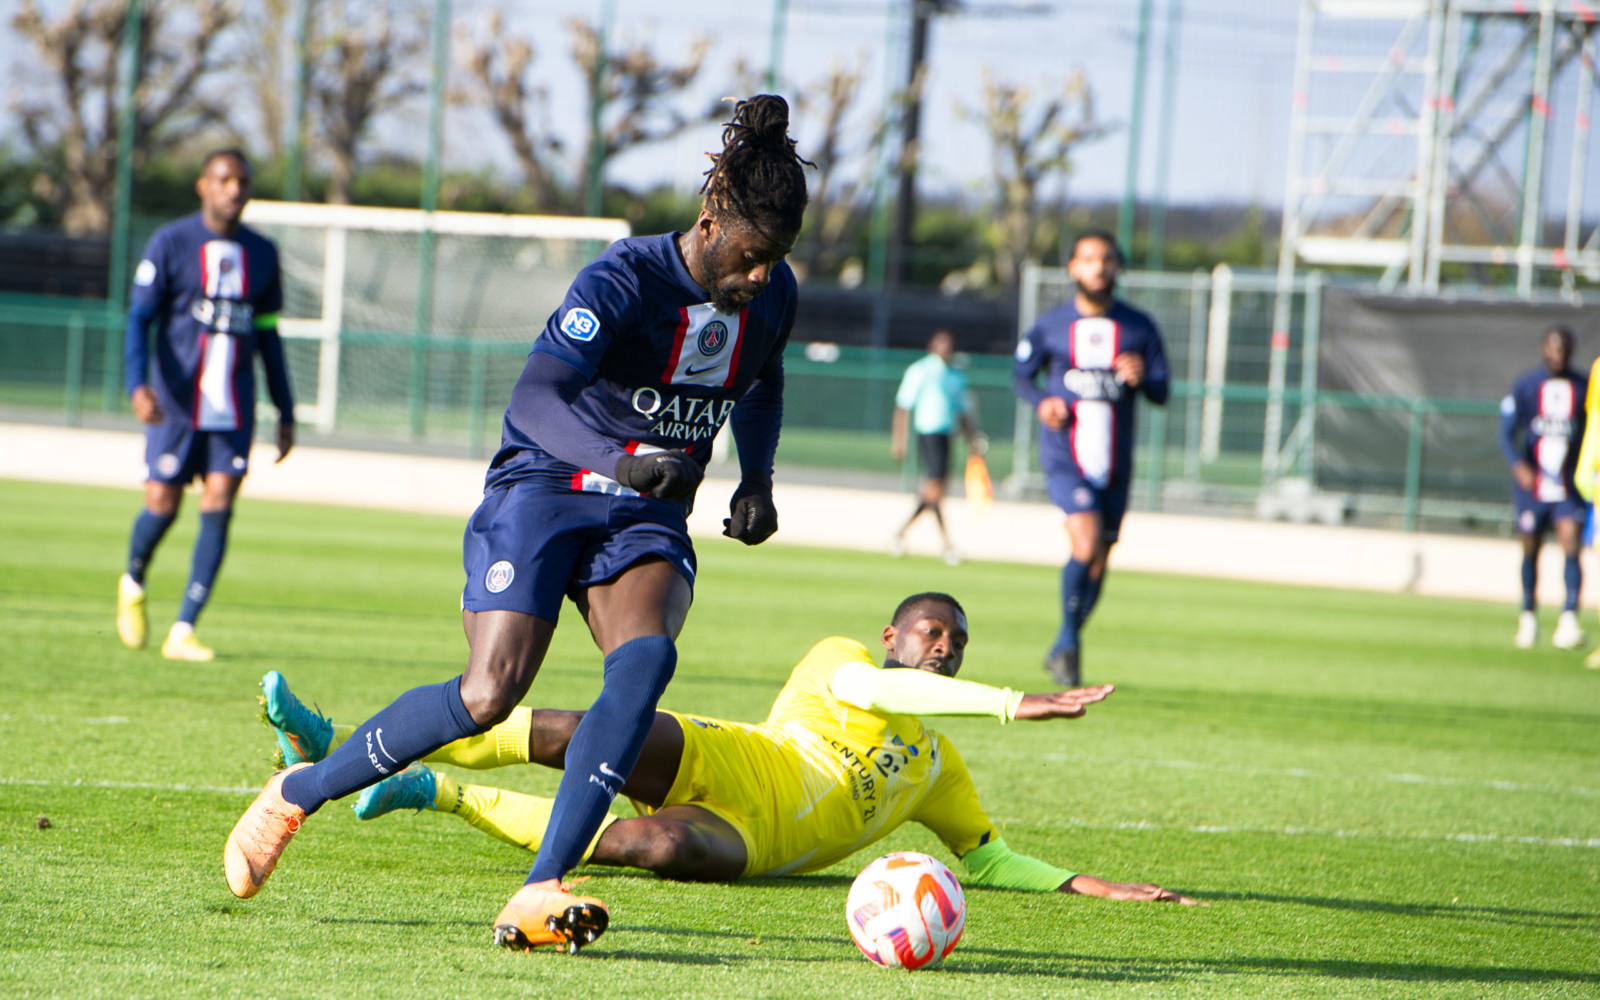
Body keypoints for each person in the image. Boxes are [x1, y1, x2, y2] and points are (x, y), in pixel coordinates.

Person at [221, 96, 810, 954]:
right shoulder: (623, 279)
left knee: (646, 659)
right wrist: (619, 461)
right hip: (547, 482)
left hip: (643, 512)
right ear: (710, 221)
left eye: (776, 259)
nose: (760, 276)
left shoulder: (775, 294)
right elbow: (535, 398)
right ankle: (296, 793)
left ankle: (543, 885)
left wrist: (756, 481)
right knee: (489, 693)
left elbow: (763, 379)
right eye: (752, 256)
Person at [256, 592, 1200, 909]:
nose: (943, 647)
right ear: (894, 636)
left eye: (955, 640)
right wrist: (1012, 702)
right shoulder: (843, 661)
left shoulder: (935, 766)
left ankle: (435, 791)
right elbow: (885, 692)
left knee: (648, 845)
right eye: (930, 633)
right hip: (739, 757)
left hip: (756, 843)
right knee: (575, 732)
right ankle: (339, 751)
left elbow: (986, 857)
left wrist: (1092, 885)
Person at [116, 149, 295, 662]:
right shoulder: (171, 242)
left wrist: (285, 410)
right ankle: (133, 579)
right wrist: (137, 384)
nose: (235, 189)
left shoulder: (263, 253)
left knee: (219, 503)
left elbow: (269, 336)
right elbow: (139, 319)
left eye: (242, 181)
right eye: (224, 179)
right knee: (162, 505)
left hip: (233, 407)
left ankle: (184, 629)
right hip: (174, 404)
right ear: (203, 186)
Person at [1013, 231, 1168, 688]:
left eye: (1106, 259)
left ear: (1118, 267)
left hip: (1115, 463)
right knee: (1085, 543)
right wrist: (1043, 402)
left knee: (1099, 560)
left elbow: (1162, 390)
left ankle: (1064, 644)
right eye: (1088, 258)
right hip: (1066, 457)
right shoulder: (1051, 326)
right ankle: (1067, 642)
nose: (1098, 267)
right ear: (1073, 268)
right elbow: (1021, 376)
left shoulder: (1139, 327)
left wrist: (1142, 377)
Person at [1501, 326, 1588, 651]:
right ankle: (1528, 617)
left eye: (1563, 348)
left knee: (1571, 544)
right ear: (1543, 349)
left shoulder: (1583, 387)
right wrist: (1518, 465)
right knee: (1530, 549)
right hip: (1533, 488)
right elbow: (1505, 431)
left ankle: (1569, 619)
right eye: (1553, 348)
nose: (1558, 354)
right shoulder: (1526, 385)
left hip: (1568, 485)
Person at [890, 330, 983, 565]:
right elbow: (903, 406)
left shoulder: (956, 376)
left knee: (936, 492)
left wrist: (971, 438)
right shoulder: (920, 370)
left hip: (946, 435)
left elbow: (963, 412)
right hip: (928, 433)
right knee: (935, 489)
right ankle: (946, 545)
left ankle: (903, 534)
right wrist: (899, 440)